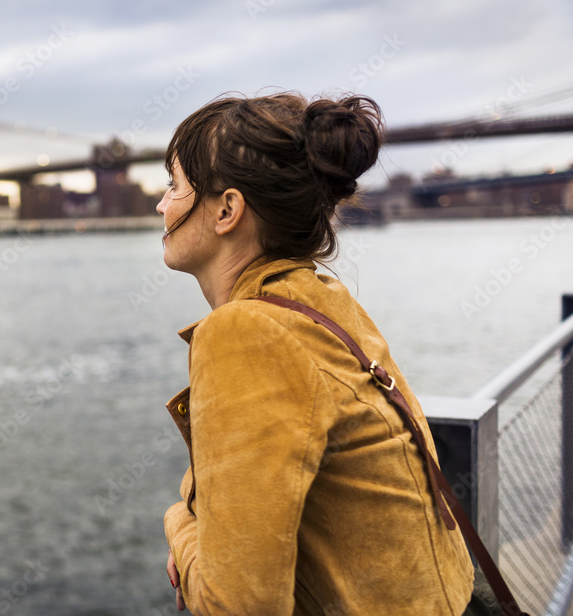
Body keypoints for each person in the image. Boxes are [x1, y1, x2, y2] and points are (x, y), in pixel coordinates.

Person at [157, 92, 476, 614]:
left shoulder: (246, 332)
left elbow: (238, 605)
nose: (161, 204)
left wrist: (178, 525)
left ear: (226, 210)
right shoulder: (322, 300)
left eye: (174, 185)